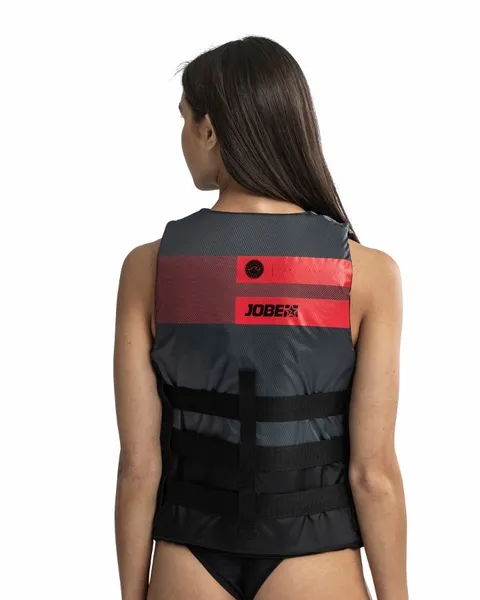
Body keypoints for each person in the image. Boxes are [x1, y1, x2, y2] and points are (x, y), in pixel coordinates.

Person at [113, 36, 408, 600]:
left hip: (189, 556)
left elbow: (138, 467)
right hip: (314, 556)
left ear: (209, 130)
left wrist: (133, 594)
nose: (182, 137)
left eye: (184, 118)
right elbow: (373, 474)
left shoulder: (150, 268)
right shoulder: (366, 273)